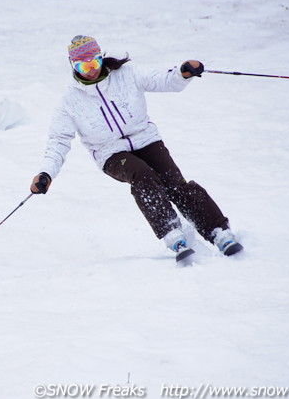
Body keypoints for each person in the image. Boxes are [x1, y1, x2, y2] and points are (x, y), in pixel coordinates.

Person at [29, 35, 243, 261]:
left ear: (100, 58)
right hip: (110, 153)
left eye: (94, 63)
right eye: (83, 66)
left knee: (175, 183)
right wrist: (46, 173)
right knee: (142, 175)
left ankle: (219, 232)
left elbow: (163, 79)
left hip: (146, 139)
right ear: (73, 66)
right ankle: (171, 232)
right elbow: (58, 140)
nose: (91, 70)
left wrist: (183, 73)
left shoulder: (127, 75)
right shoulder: (69, 101)